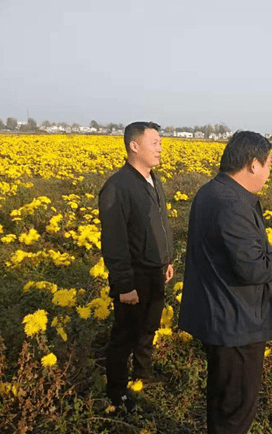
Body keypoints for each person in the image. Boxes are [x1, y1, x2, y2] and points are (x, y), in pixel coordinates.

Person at [179, 130, 272, 434]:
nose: (270, 172)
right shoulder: (232, 203)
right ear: (253, 164)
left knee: (222, 400)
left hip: (218, 315)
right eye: (269, 164)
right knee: (236, 409)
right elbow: (253, 269)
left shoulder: (211, 191)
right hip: (236, 324)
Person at [98, 121, 174, 412]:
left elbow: (160, 225)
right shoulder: (118, 186)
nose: (160, 147)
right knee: (124, 335)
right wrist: (124, 284)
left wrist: (166, 260)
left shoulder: (153, 179)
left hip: (155, 269)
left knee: (148, 327)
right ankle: (117, 394)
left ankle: (144, 374)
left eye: (160, 142)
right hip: (133, 274)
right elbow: (114, 242)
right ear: (134, 145)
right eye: (154, 142)